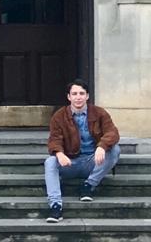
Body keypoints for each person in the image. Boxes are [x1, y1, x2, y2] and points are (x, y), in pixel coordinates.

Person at [43, 78, 120, 223]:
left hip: (93, 162)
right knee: (50, 162)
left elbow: (112, 133)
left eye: (81, 93)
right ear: (69, 97)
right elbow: (54, 139)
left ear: (87, 96)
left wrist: (102, 147)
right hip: (70, 163)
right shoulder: (59, 116)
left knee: (115, 150)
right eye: (74, 94)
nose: (78, 97)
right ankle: (55, 206)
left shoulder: (99, 113)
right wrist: (59, 154)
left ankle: (88, 185)